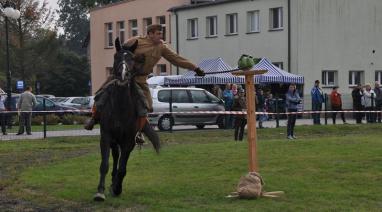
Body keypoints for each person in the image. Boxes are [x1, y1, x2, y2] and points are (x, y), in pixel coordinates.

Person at [84, 24, 205, 145]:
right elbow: (121, 54)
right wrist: (134, 59)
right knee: (101, 93)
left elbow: (177, 59)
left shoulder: (162, 47)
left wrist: (195, 68)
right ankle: (93, 118)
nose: (161, 36)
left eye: (161, 33)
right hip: (124, 77)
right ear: (150, 34)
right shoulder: (135, 41)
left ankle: (138, 132)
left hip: (141, 80)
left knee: (147, 106)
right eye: (158, 33)